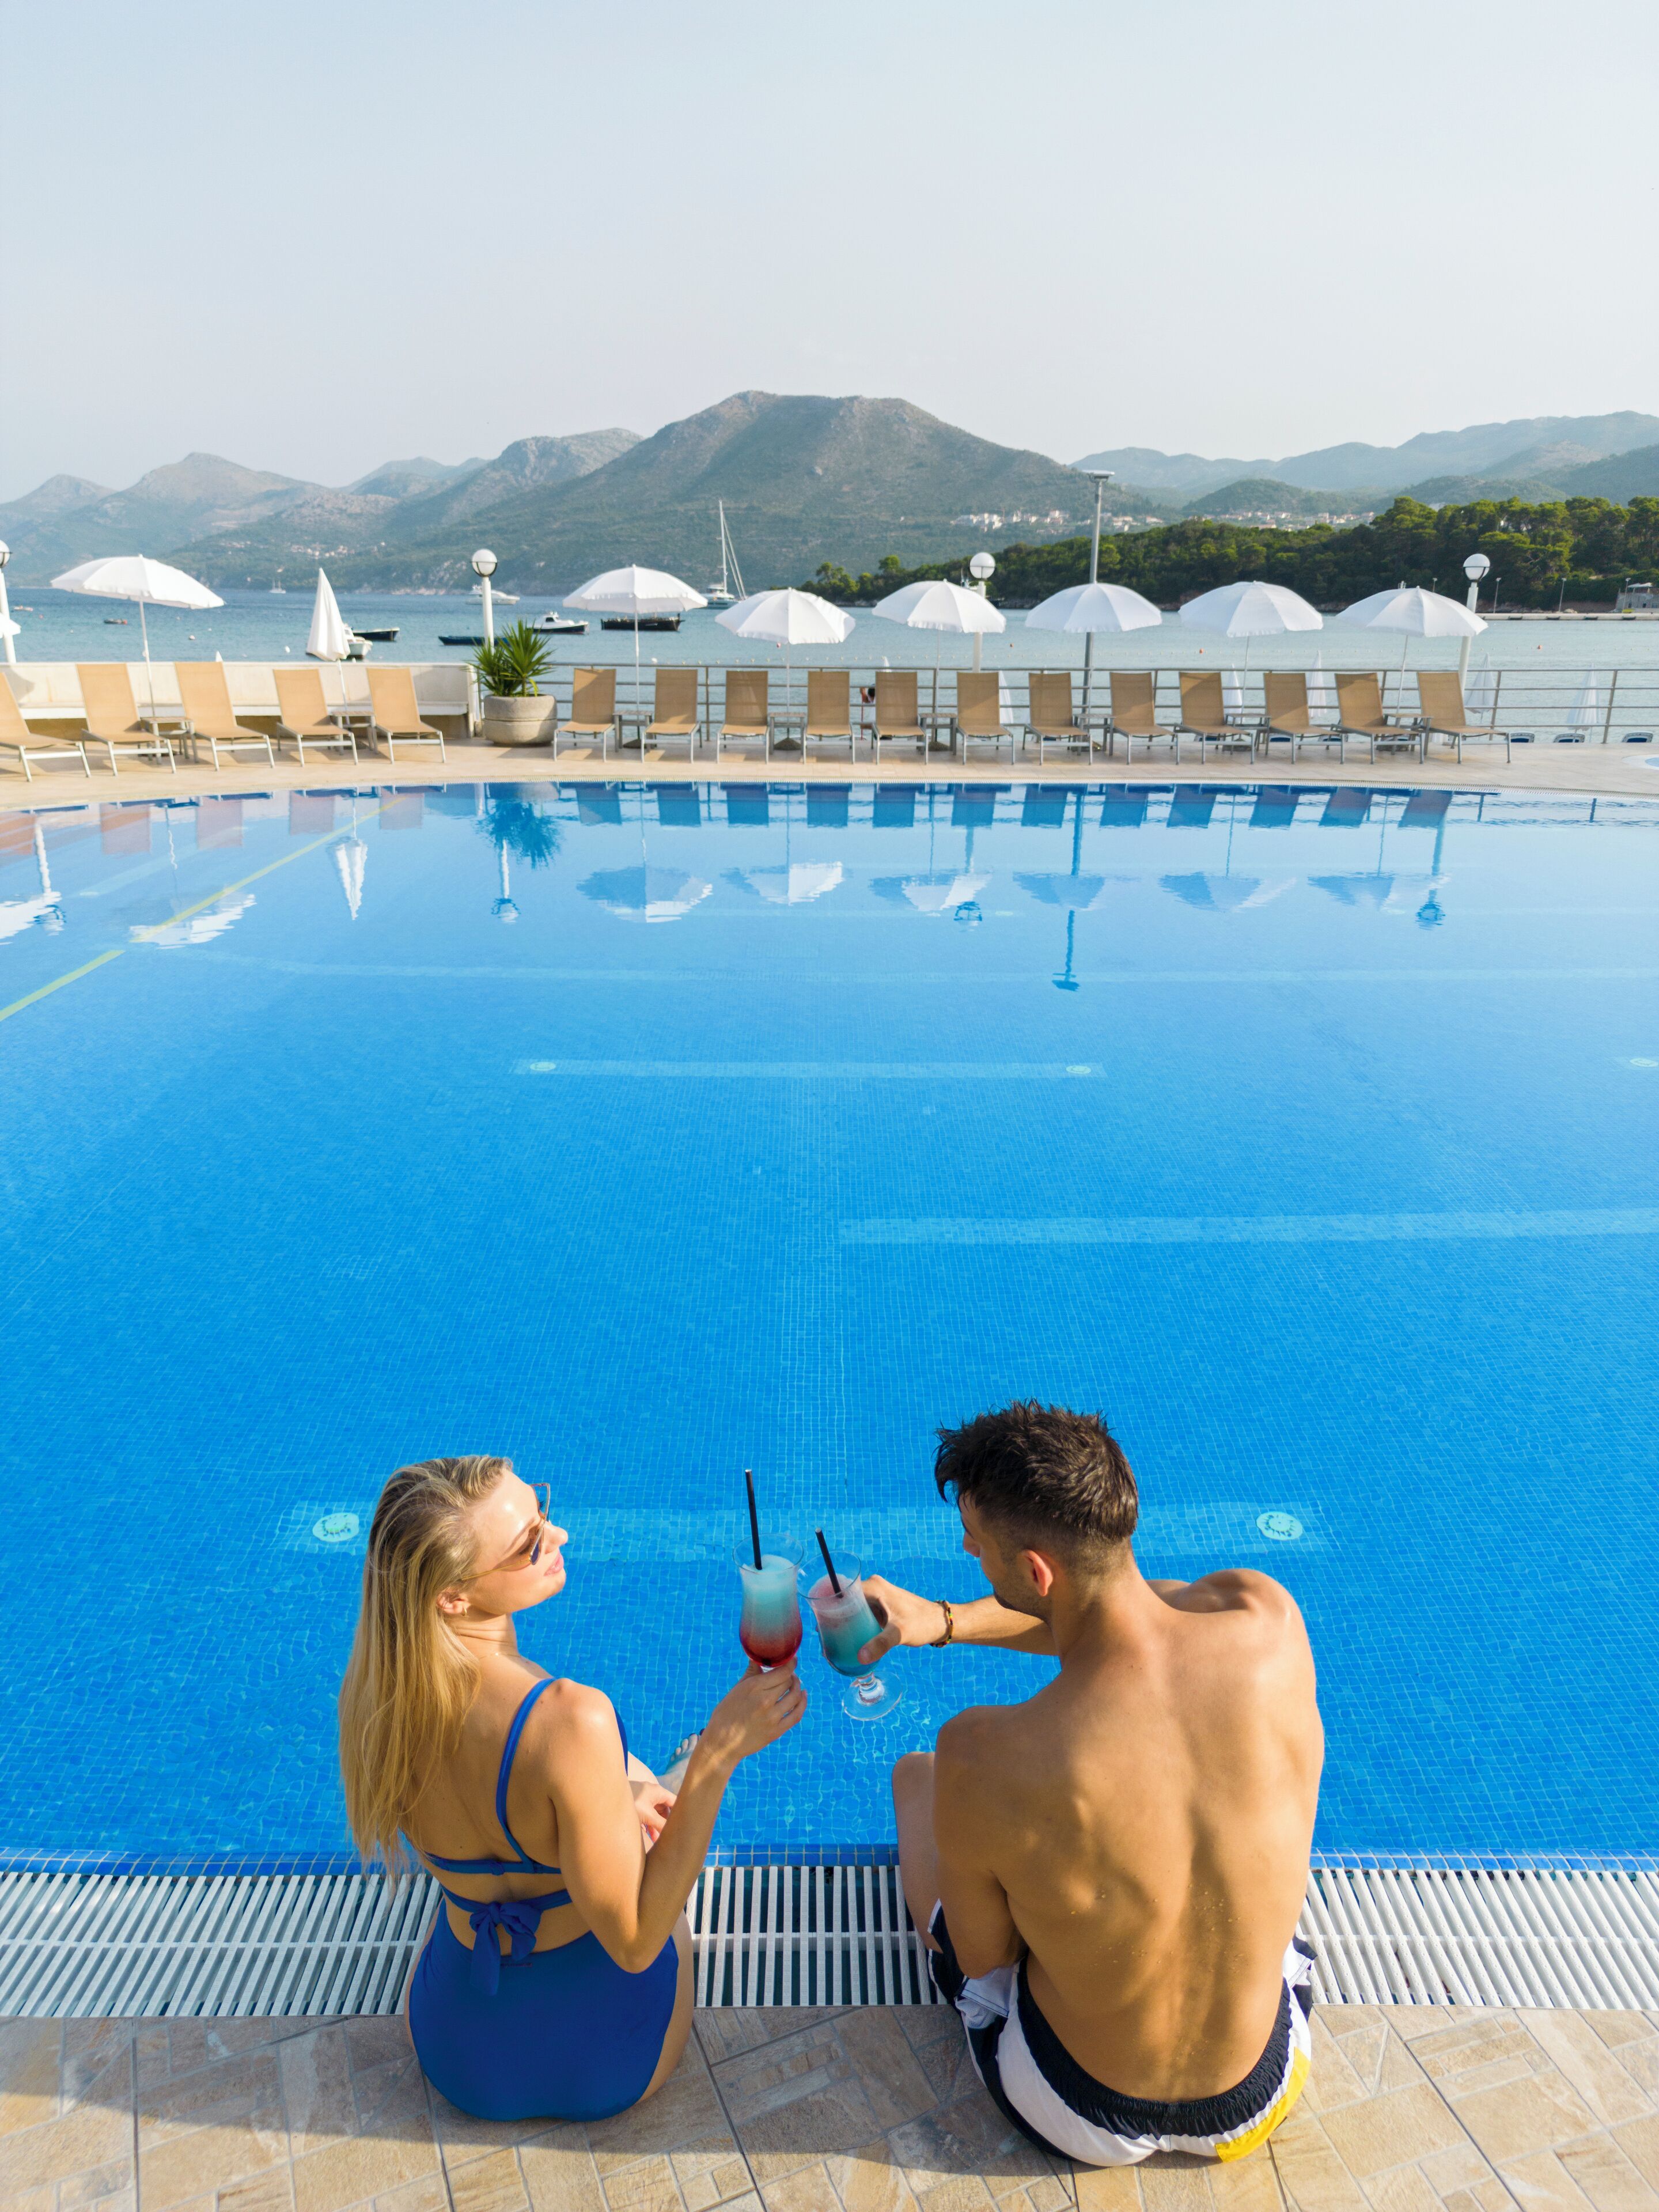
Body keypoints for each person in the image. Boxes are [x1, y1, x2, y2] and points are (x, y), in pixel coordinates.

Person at [863, 1403, 1323, 2168]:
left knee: (919, 1779)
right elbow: (1116, 1613)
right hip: (1263, 2087)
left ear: (1035, 1572)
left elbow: (987, 1962)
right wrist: (942, 1620)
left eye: (977, 1546)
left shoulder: (983, 1753)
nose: (971, 1551)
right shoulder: (1265, 1617)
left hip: (1085, 2110)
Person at [338, 1456, 804, 2122]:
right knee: (653, 1841)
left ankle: (626, 1791)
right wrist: (717, 1758)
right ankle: (662, 1774)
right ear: (453, 1595)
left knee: (621, 1784)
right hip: (604, 2060)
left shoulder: (376, 1702)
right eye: (528, 1543)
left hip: (457, 2052)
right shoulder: (568, 1718)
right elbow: (635, 1943)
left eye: (543, 1513)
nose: (559, 1539)